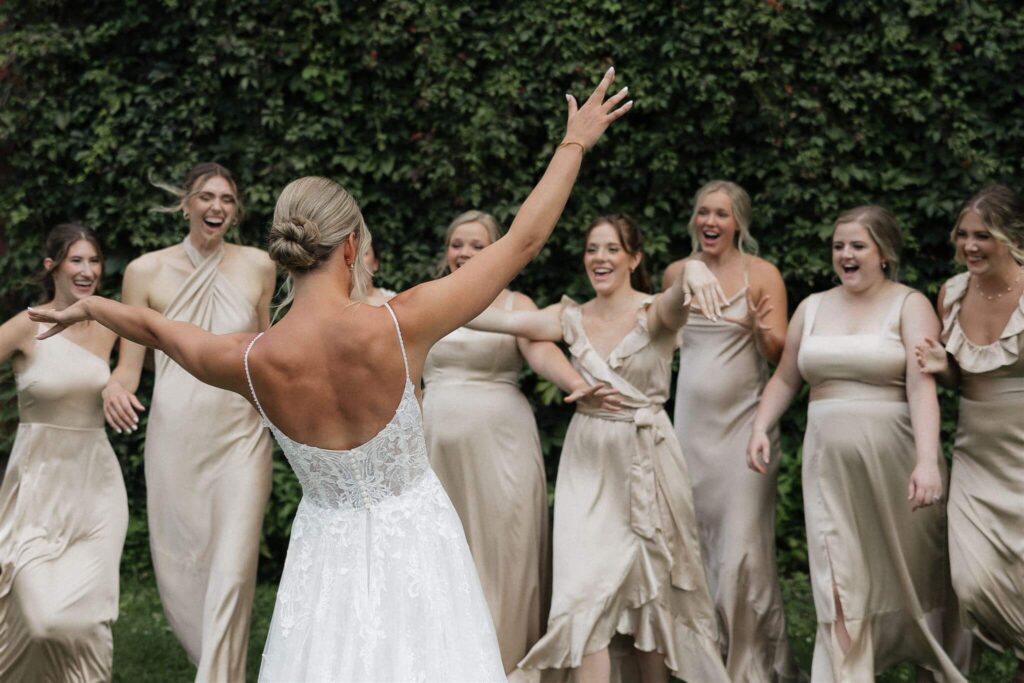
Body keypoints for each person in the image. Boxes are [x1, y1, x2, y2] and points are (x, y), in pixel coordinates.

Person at [29, 67, 633, 681]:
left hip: (325, 559)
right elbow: (524, 241)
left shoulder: (251, 360)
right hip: (421, 544)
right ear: (351, 246)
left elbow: (161, 332)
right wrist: (574, 140)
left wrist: (93, 305)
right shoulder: (403, 324)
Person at [465, 214, 731, 683]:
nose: (600, 259)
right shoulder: (569, 317)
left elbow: (677, 299)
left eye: (611, 249)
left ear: (634, 258)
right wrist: (438, 294)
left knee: (654, 596)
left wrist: (692, 269)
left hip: (646, 454)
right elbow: (492, 317)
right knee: (580, 596)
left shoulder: (656, 313)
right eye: (592, 249)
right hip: (588, 458)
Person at [747, 206, 966, 682]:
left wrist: (927, 462)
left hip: (898, 462)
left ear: (884, 253)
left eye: (857, 246)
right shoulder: (812, 308)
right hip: (829, 466)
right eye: (838, 245)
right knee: (838, 572)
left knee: (915, 575)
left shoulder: (909, 305)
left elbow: (920, 386)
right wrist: (760, 424)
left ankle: (931, 667)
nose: (845, 254)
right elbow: (786, 378)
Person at [424, 209, 620, 675]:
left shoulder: (518, 305)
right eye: (457, 243)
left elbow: (540, 350)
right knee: (441, 553)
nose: (465, 253)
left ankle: (505, 664)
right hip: (433, 447)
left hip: (502, 447)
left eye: (477, 244)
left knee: (503, 552)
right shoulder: (428, 299)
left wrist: (574, 381)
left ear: (496, 251)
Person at [101, 163, 276, 681]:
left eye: (226, 198)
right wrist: (113, 385)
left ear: (235, 210)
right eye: (206, 196)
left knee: (234, 569)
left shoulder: (260, 265)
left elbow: (268, 352)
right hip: (176, 436)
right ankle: (216, 667)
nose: (216, 207)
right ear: (186, 204)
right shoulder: (144, 272)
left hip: (242, 436)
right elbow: (130, 367)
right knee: (182, 568)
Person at [662, 180, 798, 681]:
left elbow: (782, 359)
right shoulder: (677, 272)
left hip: (745, 433)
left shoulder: (763, 275)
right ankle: (703, 659)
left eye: (720, 214)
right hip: (688, 433)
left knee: (743, 551)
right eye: (703, 213)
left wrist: (763, 332)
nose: (710, 222)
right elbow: (659, 335)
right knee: (694, 546)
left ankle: (752, 664)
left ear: (738, 221)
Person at [0, 224, 128, 681]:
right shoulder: (26, 325)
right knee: (41, 619)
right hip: (36, 484)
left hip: (96, 485)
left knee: (90, 615)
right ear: (51, 266)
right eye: (77, 260)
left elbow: (131, 370)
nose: (88, 270)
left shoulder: (114, 322)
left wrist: (116, 382)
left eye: (94, 261)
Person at [916, 184, 1024, 681]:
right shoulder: (952, 293)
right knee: (973, 582)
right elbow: (966, 374)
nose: (970, 246)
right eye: (963, 235)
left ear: (1011, 236)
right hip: (976, 457)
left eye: (983, 235)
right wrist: (944, 367)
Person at [362, 240, 396, 306]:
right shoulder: (337, 303)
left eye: (364, 253)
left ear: (375, 263)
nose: (358, 260)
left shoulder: (393, 301)